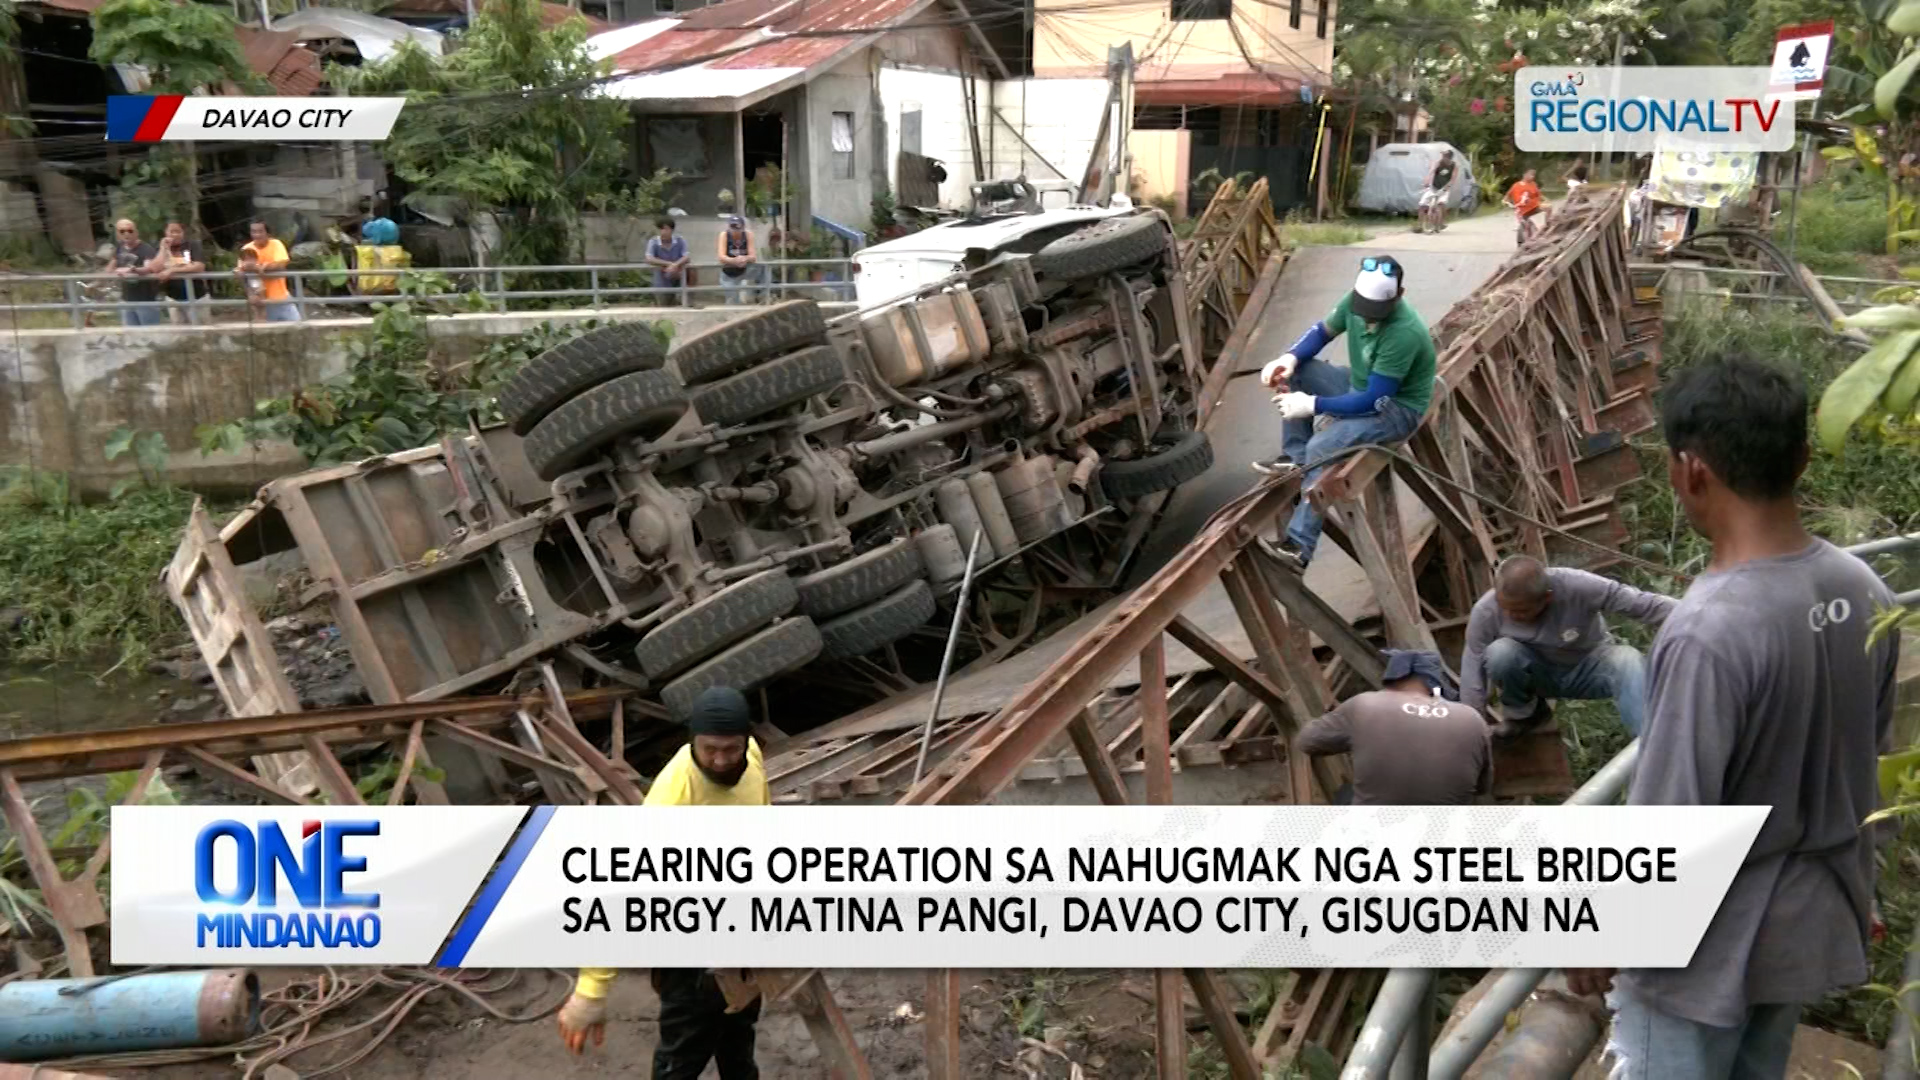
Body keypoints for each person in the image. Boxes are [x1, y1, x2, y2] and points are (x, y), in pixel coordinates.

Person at [1566, 357, 1901, 1080]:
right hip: (1806, 928)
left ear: (1688, 471)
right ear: (1803, 458)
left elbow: (1668, 824)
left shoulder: (1707, 631)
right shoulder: (1865, 588)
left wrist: (1605, 932)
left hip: (1706, 953)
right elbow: (1869, 757)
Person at [557, 686, 768, 1078]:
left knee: (739, 1033)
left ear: (746, 741)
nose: (720, 761)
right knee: (685, 1047)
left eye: (730, 749)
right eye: (709, 750)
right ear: (692, 742)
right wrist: (592, 990)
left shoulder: (751, 759)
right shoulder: (672, 800)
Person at [1253, 255, 1436, 568]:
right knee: (1301, 371)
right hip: (1358, 385)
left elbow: (1373, 401)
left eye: (1375, 314)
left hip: (1395, 408)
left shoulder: (1404, 332)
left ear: (1399, 296)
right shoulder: (1356, 299)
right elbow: (1322, 332)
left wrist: (1313, 405)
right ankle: (1296, 457)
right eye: (1364, 311)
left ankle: (1299, 547)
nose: (1367, 320)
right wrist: (1289, 358)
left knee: (1322, 447)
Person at [1457, 556, 1675, 739]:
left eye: (1521, 611)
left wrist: (1698, 613)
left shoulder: (1578, 586)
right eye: (1505, 608)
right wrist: (1471, 729)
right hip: (1539, 676)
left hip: (1589, 667)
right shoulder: (1486, 611)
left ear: (1547, 597)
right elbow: (1472, 668)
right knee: (1500, 653)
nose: (1511, 616)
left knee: (1627, 659)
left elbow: (1643, 604)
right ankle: (1524, 716)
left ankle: (1651, 743)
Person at [1297, 649, 1491, 805]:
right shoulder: (1471, 717)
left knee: (1345, 794)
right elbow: (1483, 786)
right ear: (1436, 684)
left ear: (1392, 679)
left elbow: (1307, 741)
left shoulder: (1366, 704)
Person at [236, 220, 299, 323]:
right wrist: (250, 294)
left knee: (297, 326)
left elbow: (280, 265)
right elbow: (241, 273)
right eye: (253, 232)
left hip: (281, 296)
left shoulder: (276, 244)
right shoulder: (246, 249)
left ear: (268, 233)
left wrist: (257, 268)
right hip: (262, 300)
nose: (257, 235)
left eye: (260, 231)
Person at [147, 221, 206, 326]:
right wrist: (163, 249)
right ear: (166, 233)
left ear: (183, 233)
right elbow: (154, 268)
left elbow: (199, 266)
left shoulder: (192, 245)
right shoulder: (161, 248)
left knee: (201, 332)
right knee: (179, 335)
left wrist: (172, 270)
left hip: (197, 297)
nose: (174, 234)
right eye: (171, 231)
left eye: (178, 231)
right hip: (173, 298)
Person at [107, 219, 161, 327]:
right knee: (130, 336)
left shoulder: (146, 249)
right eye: (122, 231)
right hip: (126, 299)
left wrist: (132, 269)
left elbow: (149, 268)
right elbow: (110, 268)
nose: (126, 234)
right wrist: (113, 273)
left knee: (150, 337)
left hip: (145, 300)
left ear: (136, 232)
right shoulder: (119, 248)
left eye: (130, 231)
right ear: (117, 234)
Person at [716, 215, 761, 305]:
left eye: (737, 227)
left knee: (762, 268)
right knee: (732, 302)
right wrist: (734, 261)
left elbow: (753, 256)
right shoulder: (724, 235)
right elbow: (721, 257)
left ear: (743, 227)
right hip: (729, 272)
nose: (735, 230)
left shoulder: (748, 234)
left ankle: (763, 296)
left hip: (745, 269)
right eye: (732, 227)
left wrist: (745, 258)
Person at [646, 217, 692, 305]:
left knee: (691, 272)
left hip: (678, 273)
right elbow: (649, 258)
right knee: (663, 303)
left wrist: (676, 265)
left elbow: (686, 256)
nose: (663, 232)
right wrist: (669, 264)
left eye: (666, 229)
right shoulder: (653, 241)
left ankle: (687, 299)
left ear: (672, 229)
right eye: (660, 229)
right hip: (661, 275)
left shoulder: (680, 240)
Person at [1419, 149, 1457, 234]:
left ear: (1449, 157)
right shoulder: (1439, 163)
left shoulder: (1454, 166)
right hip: (1434, 187)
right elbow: (1432, 171)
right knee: (1423, 204)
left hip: (1444, 188)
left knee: (1441, 204)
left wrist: (1448, 186)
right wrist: (1427, 180)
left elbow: (1453, 178)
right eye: (1443, 156)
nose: (1443, 157)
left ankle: (1441, 222)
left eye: (1445, 156)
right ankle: (1420, 225)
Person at [1506, 169, 1545, 244]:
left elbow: (1538, 195)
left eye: (1533, 175)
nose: (1532, 177)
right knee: (1523, 223)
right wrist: (1508, 203)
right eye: (1530, 175)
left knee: (1528, 222)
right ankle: (1526, 239)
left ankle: (1538, 232)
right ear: (1524, 175)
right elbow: (1507, 197)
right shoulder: (1516, 185)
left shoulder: (1533, 184)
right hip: (1520, 208)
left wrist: (1543, 200)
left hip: (1531, 207)